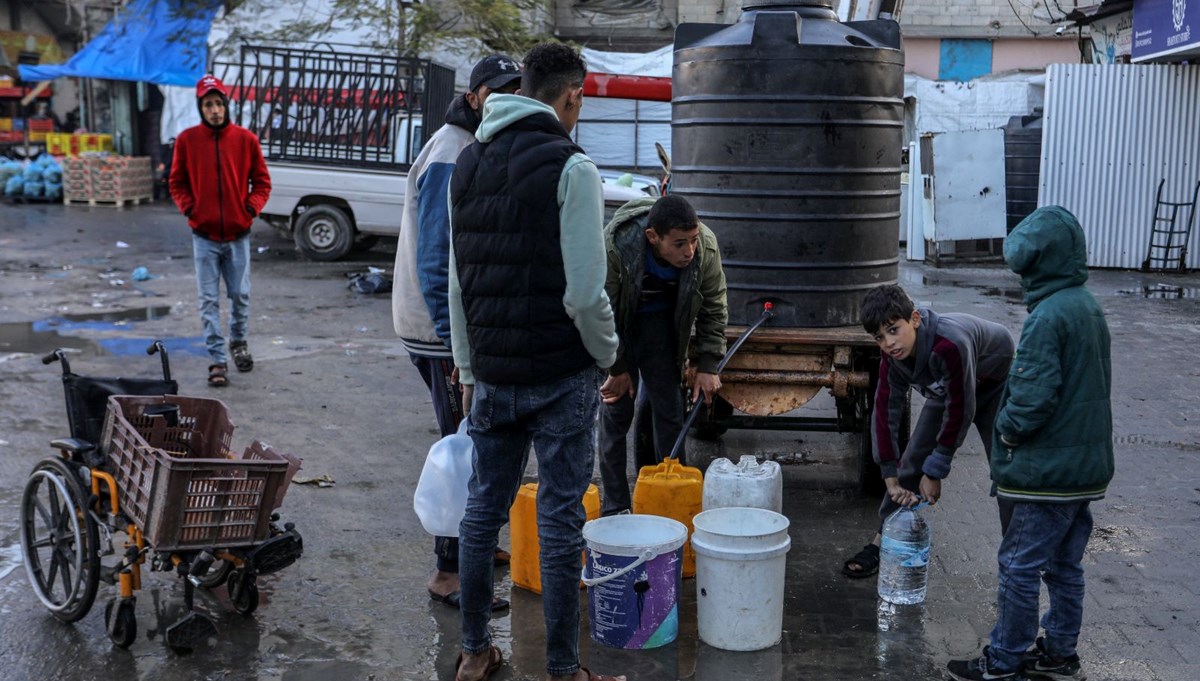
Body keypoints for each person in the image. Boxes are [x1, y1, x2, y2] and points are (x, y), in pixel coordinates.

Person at [447, 42, 625, 681]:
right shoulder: (573, 167)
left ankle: (473, 652)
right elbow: (584, 293)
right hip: (560, 378)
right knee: (559, 520)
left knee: (481, 513)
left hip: (492, 374)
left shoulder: (467, 163)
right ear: (572, 93)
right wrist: (609, 354)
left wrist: (468, 370)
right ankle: (561, 669)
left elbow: (456, 283)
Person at [948, 206, 1114, 681]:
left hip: (1049, 475)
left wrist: (1006, 431)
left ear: (1039, 265)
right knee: (1064, 566)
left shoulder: (1048, 317)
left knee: (1018, 565)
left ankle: (1004, 660)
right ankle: (1060, 654)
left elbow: (1032, 396)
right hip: (1084, 468)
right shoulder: (1086, 305)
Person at [391, 55, 522, 612]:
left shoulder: (466, 144)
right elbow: (437, 255)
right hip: (437, 332)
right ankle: (448, 570)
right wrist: (452, 344)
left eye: (516, 91)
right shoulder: (452, 151)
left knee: (467, 436)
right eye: (498, 92)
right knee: (463, 448)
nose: (507, 101)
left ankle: (473, 543)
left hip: (441, 329)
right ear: (475, 97)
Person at [842, 284, 1014, 578]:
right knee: (911, 461)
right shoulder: (891, 358)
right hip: (948, 388)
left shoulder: (949, 344)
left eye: (894, 330)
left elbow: (961, 410)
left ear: (915, 320)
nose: (889, 343)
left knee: (1007, 469)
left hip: (994, 382)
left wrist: (935, 472)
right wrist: (889, 474)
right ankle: (882, 540)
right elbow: (885, 410)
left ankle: (1016, 558)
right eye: (880, 338)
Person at [597, 194, 727, 516]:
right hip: (620, 326)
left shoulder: (705, 248)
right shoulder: (615, 247)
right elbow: (601, 311)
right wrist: (618, 366)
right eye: (679, 244)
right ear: (653, 238)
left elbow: (714, 305)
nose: (689, 251)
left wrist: (709, 365)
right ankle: (615, 507)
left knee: (669, 412)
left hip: (661, 328)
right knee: (616, 414)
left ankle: (668, 500)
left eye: (693, 240)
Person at [169, 74, 271, 387]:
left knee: (240, 295)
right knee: (208, 300)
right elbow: (177, 182)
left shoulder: (246, 140)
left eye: (218, 103)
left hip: (238, 236)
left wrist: (250, 209)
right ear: (201, 108)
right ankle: (217, 357)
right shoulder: (187, 141)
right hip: (204, 237)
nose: (214, 110)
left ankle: (238, 343)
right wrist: (190, 209)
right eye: (208, 104)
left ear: (226, 105)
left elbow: (262, 182)